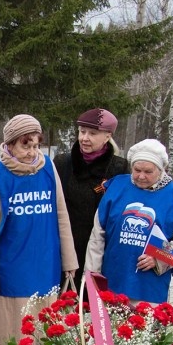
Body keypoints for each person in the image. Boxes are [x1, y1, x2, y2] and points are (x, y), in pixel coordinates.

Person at [0, 114, 78, 345]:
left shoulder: (48, 169)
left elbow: (61, 215)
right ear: (9, 145)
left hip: (44, 268)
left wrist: (69, 260)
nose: (32, 151)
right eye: (25, 144)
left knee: (44, 342)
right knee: (9, 343)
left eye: (36, 145)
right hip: (9, 272)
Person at [85, 138, 173, 303]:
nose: (141, 176)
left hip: (149, 283)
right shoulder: (116, 188)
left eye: (148, 171)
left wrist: (159, 258)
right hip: (113, 276)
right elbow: (98, 235)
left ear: (161, 170)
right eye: (137, 170)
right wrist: (93, 275)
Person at [54, 108, 130, 282]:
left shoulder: (119, 168)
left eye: (92, 133)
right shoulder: (62, 164)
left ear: (108, 136)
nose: (84, 138)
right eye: (82, 132)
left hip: (101, 252)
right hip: (66, 251)